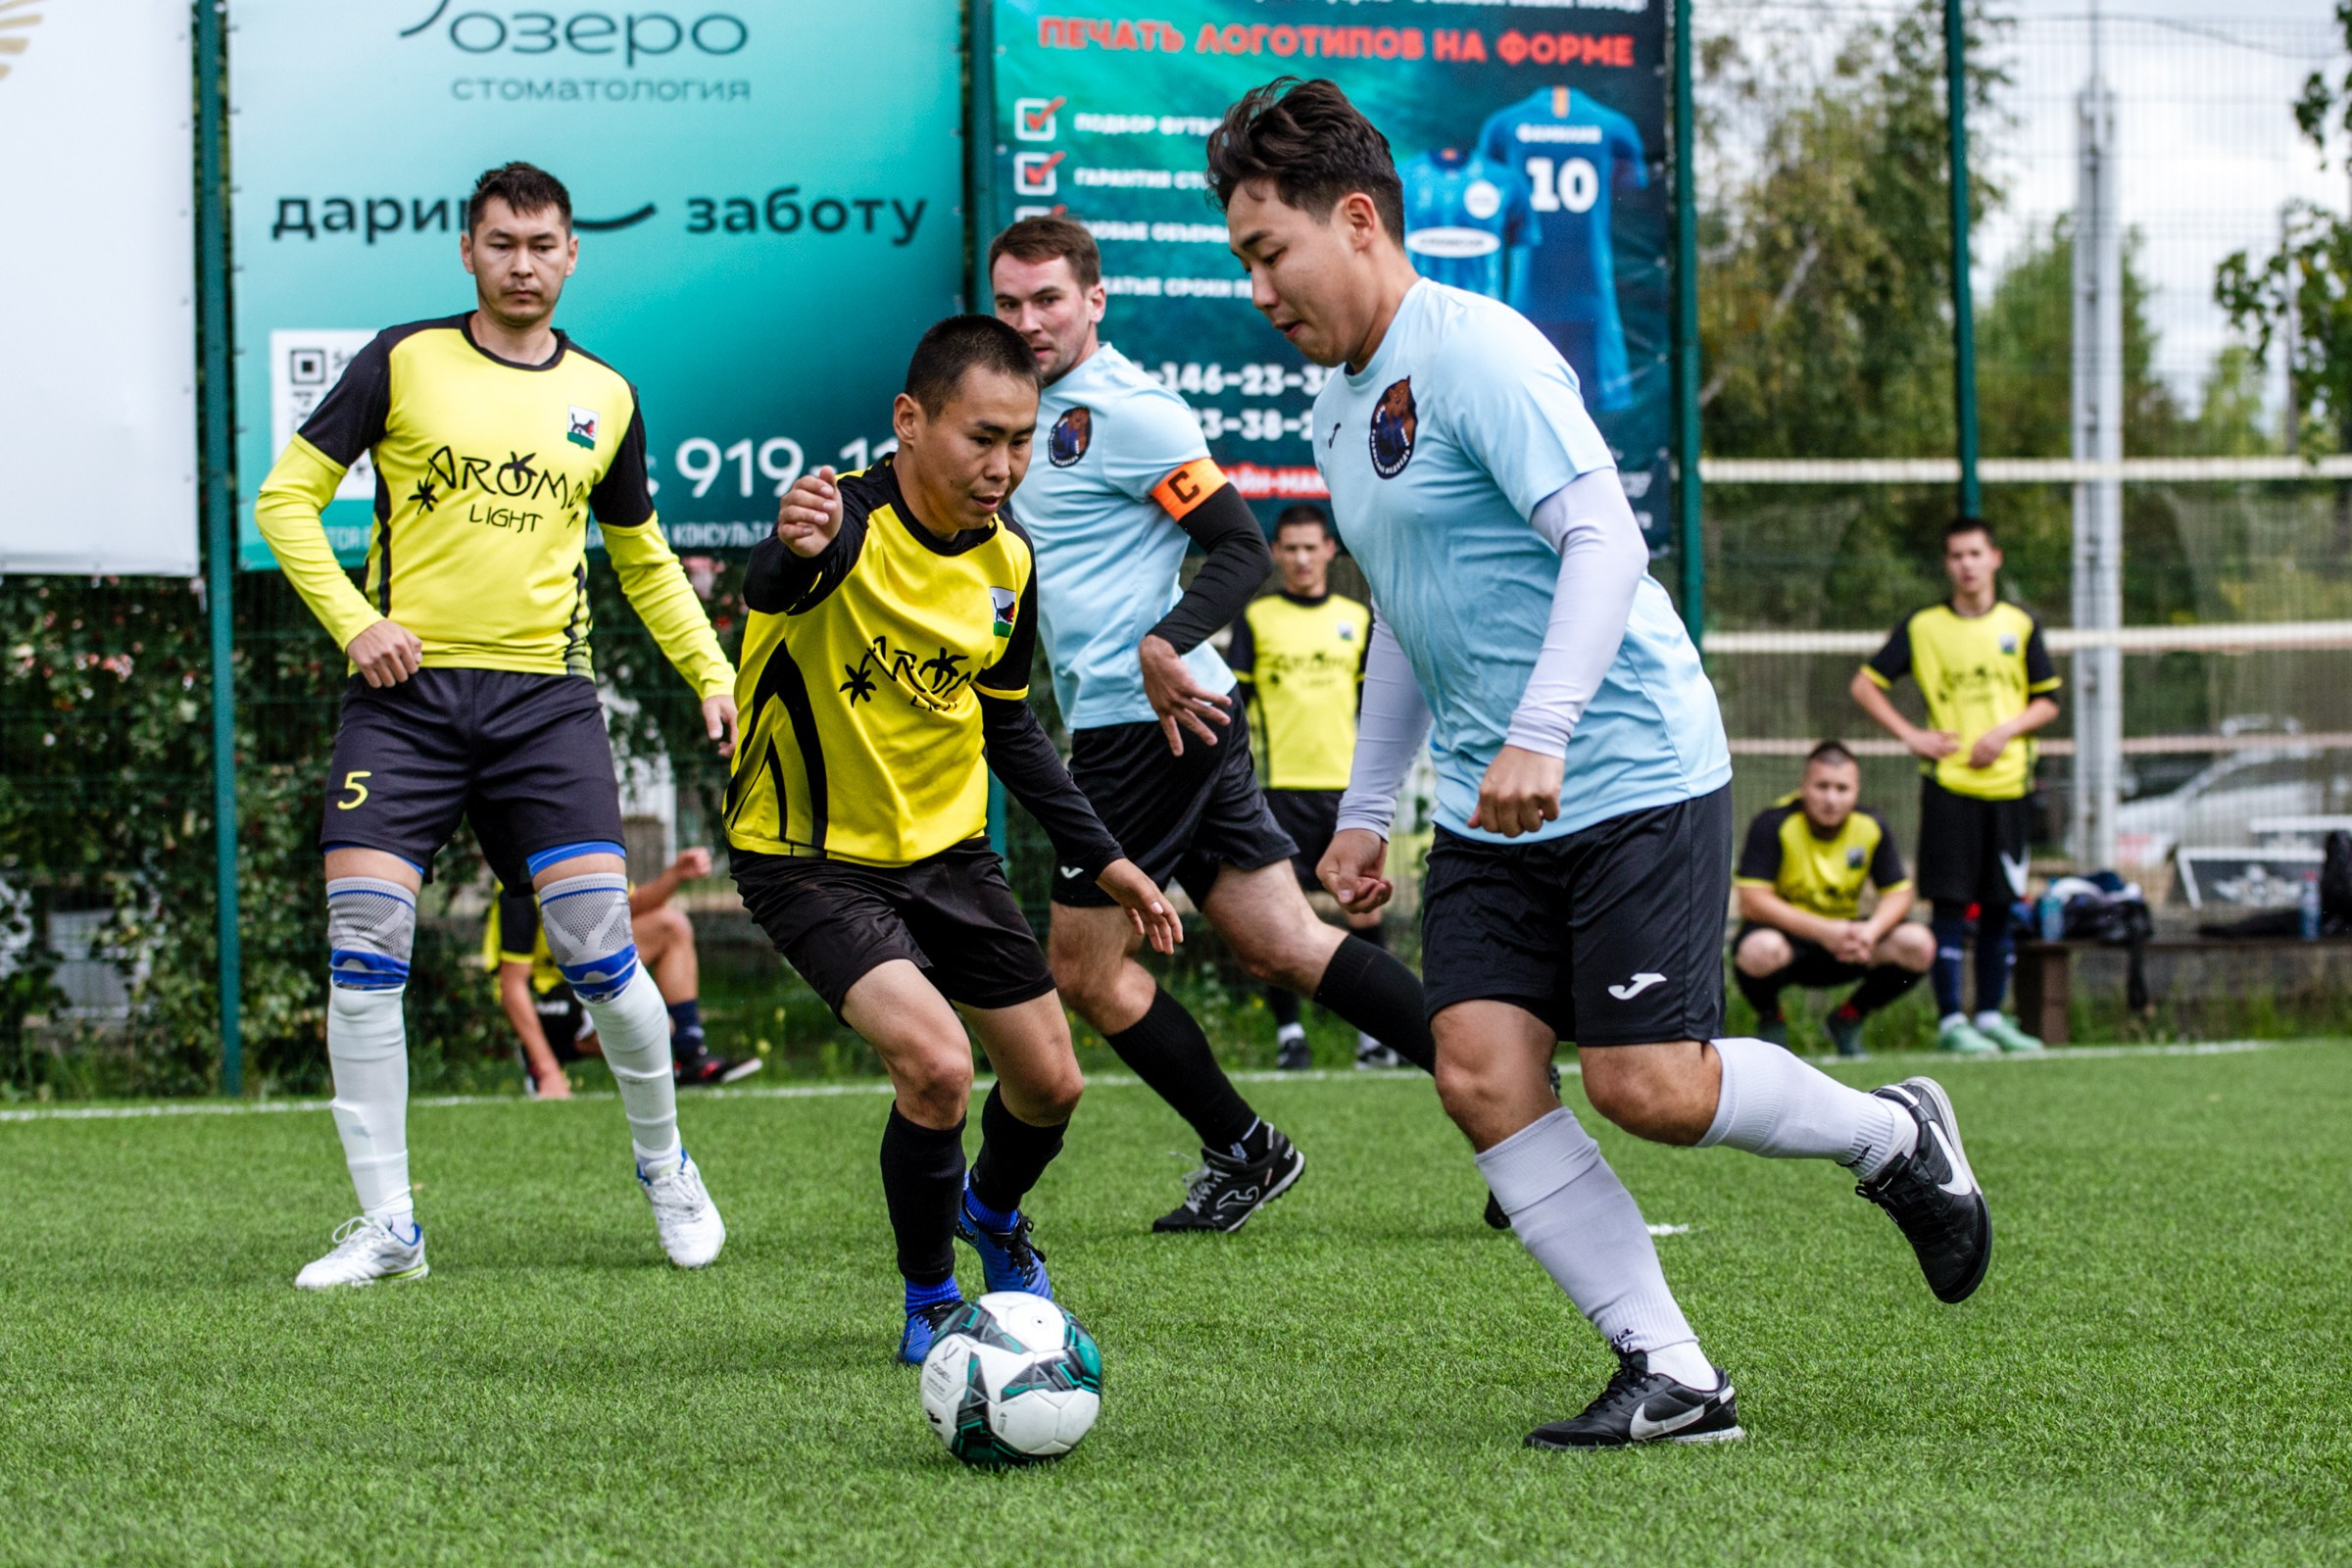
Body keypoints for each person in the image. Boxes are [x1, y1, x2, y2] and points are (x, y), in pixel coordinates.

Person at [1209, 76, 1994, 1447]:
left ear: (1356, 219)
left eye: (1269, 253)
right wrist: (1367, 807)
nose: (1259, 289)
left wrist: (1542, 733)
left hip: (1627, 766)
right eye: (1242, 263)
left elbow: (1606, 544)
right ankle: (1674, 1372)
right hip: (1496, 800)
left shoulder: (1481, 354)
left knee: (1651, 1088)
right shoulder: (1340, 409)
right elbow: (1403, 606)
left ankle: (1893, 1136)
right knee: (1478, 1069)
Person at [256, 162, 732, 1289]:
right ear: (467, 252)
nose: (524, 264)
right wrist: (358, 623)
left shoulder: (606, 395)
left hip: (543, 706)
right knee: (364, 952)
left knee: (599, 953)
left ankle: (667, 1167)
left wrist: (710, 668)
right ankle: (390, 1228)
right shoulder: (401, 361)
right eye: (503, 243)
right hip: (405, 706)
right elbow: (285, 502)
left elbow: (644, 560)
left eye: (544, 245)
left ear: (573, 257)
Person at [988, 216, 1442, 1234]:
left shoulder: (1132, 410)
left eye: (1048, 300)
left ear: (1092, 301)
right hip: (1177, 717)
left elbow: (1238, 548)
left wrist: (1163, 640)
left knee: (1083, 970)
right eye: (1009, 303)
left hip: (1148, 721)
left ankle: (1244, 1147)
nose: (1028, 321)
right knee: (1285, 940)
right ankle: (1509, 1097)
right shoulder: (1019, 412)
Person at [742, 317, 1183, 1362]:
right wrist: (787, 542)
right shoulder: (837, 522)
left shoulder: (1008, 559)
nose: (1003, 466)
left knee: (1052, 1085)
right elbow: (775, 579)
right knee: (938, 1067)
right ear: (911, 420)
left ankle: (991, 1211)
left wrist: (1110, 857)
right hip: (811, 860)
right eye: (982, 437)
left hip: (949, 854)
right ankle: (931, 1297)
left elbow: (1007, 723)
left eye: (1021, 440)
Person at [1849, 517, 2062, 1054]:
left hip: (2010, 787)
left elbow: (2047, 700)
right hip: (1949, 786)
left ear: (1996, 557)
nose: (1965, 565)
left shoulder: (2020, 624)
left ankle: (1991, 1016)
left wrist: (2005, 731)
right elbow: (1864, 684)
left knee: (2000, 906)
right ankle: (1951, 1023)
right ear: (1947, 565)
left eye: (1974, 554)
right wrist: (1911, 735)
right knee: (1949, 905)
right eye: (1955, 556)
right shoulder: (1923, 627)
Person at [1225, 504, 1395, 1070]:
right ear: (1276, 553)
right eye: (1289, 548)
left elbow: (1380, 710)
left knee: (1363, 910)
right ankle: (1290, 1036)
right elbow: (1236, 711)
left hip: (1349, 794)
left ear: (1330, 551)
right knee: (1280, 919)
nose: (1300, 558)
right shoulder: (1257, 618)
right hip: (1277, 792)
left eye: (1310, 547)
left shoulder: (1357, 616)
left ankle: (1375, 1038)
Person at [484, 846, 761, 1096]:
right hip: (545, 998)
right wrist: (549, 1071)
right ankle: (547, 1054)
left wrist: (675, 875)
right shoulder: (520, 888)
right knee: (654, 1027)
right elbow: (512, 987)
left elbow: (632, 906)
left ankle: (689, 1058)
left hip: (585, 976)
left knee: (671, 926)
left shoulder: (589, 858)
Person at [1733, 742, 1934, 1057]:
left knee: (1918, 944)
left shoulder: (1870, 825)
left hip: (1849, 945)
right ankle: (1771, 1024)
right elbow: (1752, 900)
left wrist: (1872, 931)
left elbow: (1899, 893)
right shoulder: (1773, 823)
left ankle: (1849, 1018)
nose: (1831, 798)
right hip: (1791, 945)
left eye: (1842, 788)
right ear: (1803, 787)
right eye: (1822, 786)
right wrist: (1824, 931)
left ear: (1856, 791)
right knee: (1759, 950)